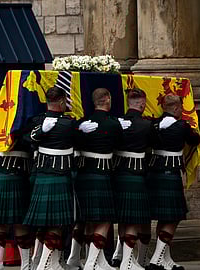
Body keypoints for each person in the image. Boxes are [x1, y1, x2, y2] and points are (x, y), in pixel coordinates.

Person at [23, 86, 78, 270]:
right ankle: (44, 265)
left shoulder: (37, 120)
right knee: (56, 223)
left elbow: (28, 139)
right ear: (62, 102)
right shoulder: (68, 123)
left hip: (41, 174)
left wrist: (41, 130)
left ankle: (51, 261)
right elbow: (78, 141)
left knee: (45, 223)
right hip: (60, 175)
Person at [146, 94, 200, 270]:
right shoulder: (181, 126)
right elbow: (194, 140)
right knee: (173, 218)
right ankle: (156, 259)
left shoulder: (153, 124)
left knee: (164, 218)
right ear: (176, 108)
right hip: (170, 174)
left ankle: (165, 260)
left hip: (154, 173)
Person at [71, 87, 122, 270]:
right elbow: (120, 144)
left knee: (90, 218)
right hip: (102, 174)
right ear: (107, 99)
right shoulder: (113, 124)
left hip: (84, 174)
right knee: (105, 218)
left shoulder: (83, 122)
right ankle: (92, 262)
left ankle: (98, 260)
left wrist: (79, 130)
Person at [0, 99, 36, 270]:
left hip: (0, 173)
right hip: (16, 173)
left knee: (2, 223)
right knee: (19, 222)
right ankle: (25, 266)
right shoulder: (17, 128)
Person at [111, 88, 154, 270]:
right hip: (137, 174)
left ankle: (124, 258)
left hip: (119, 173)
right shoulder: (145, 125)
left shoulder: (116, 123)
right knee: (135, 219)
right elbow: (155, 142)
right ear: (143, 104)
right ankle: (128, 261)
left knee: (123, 218)